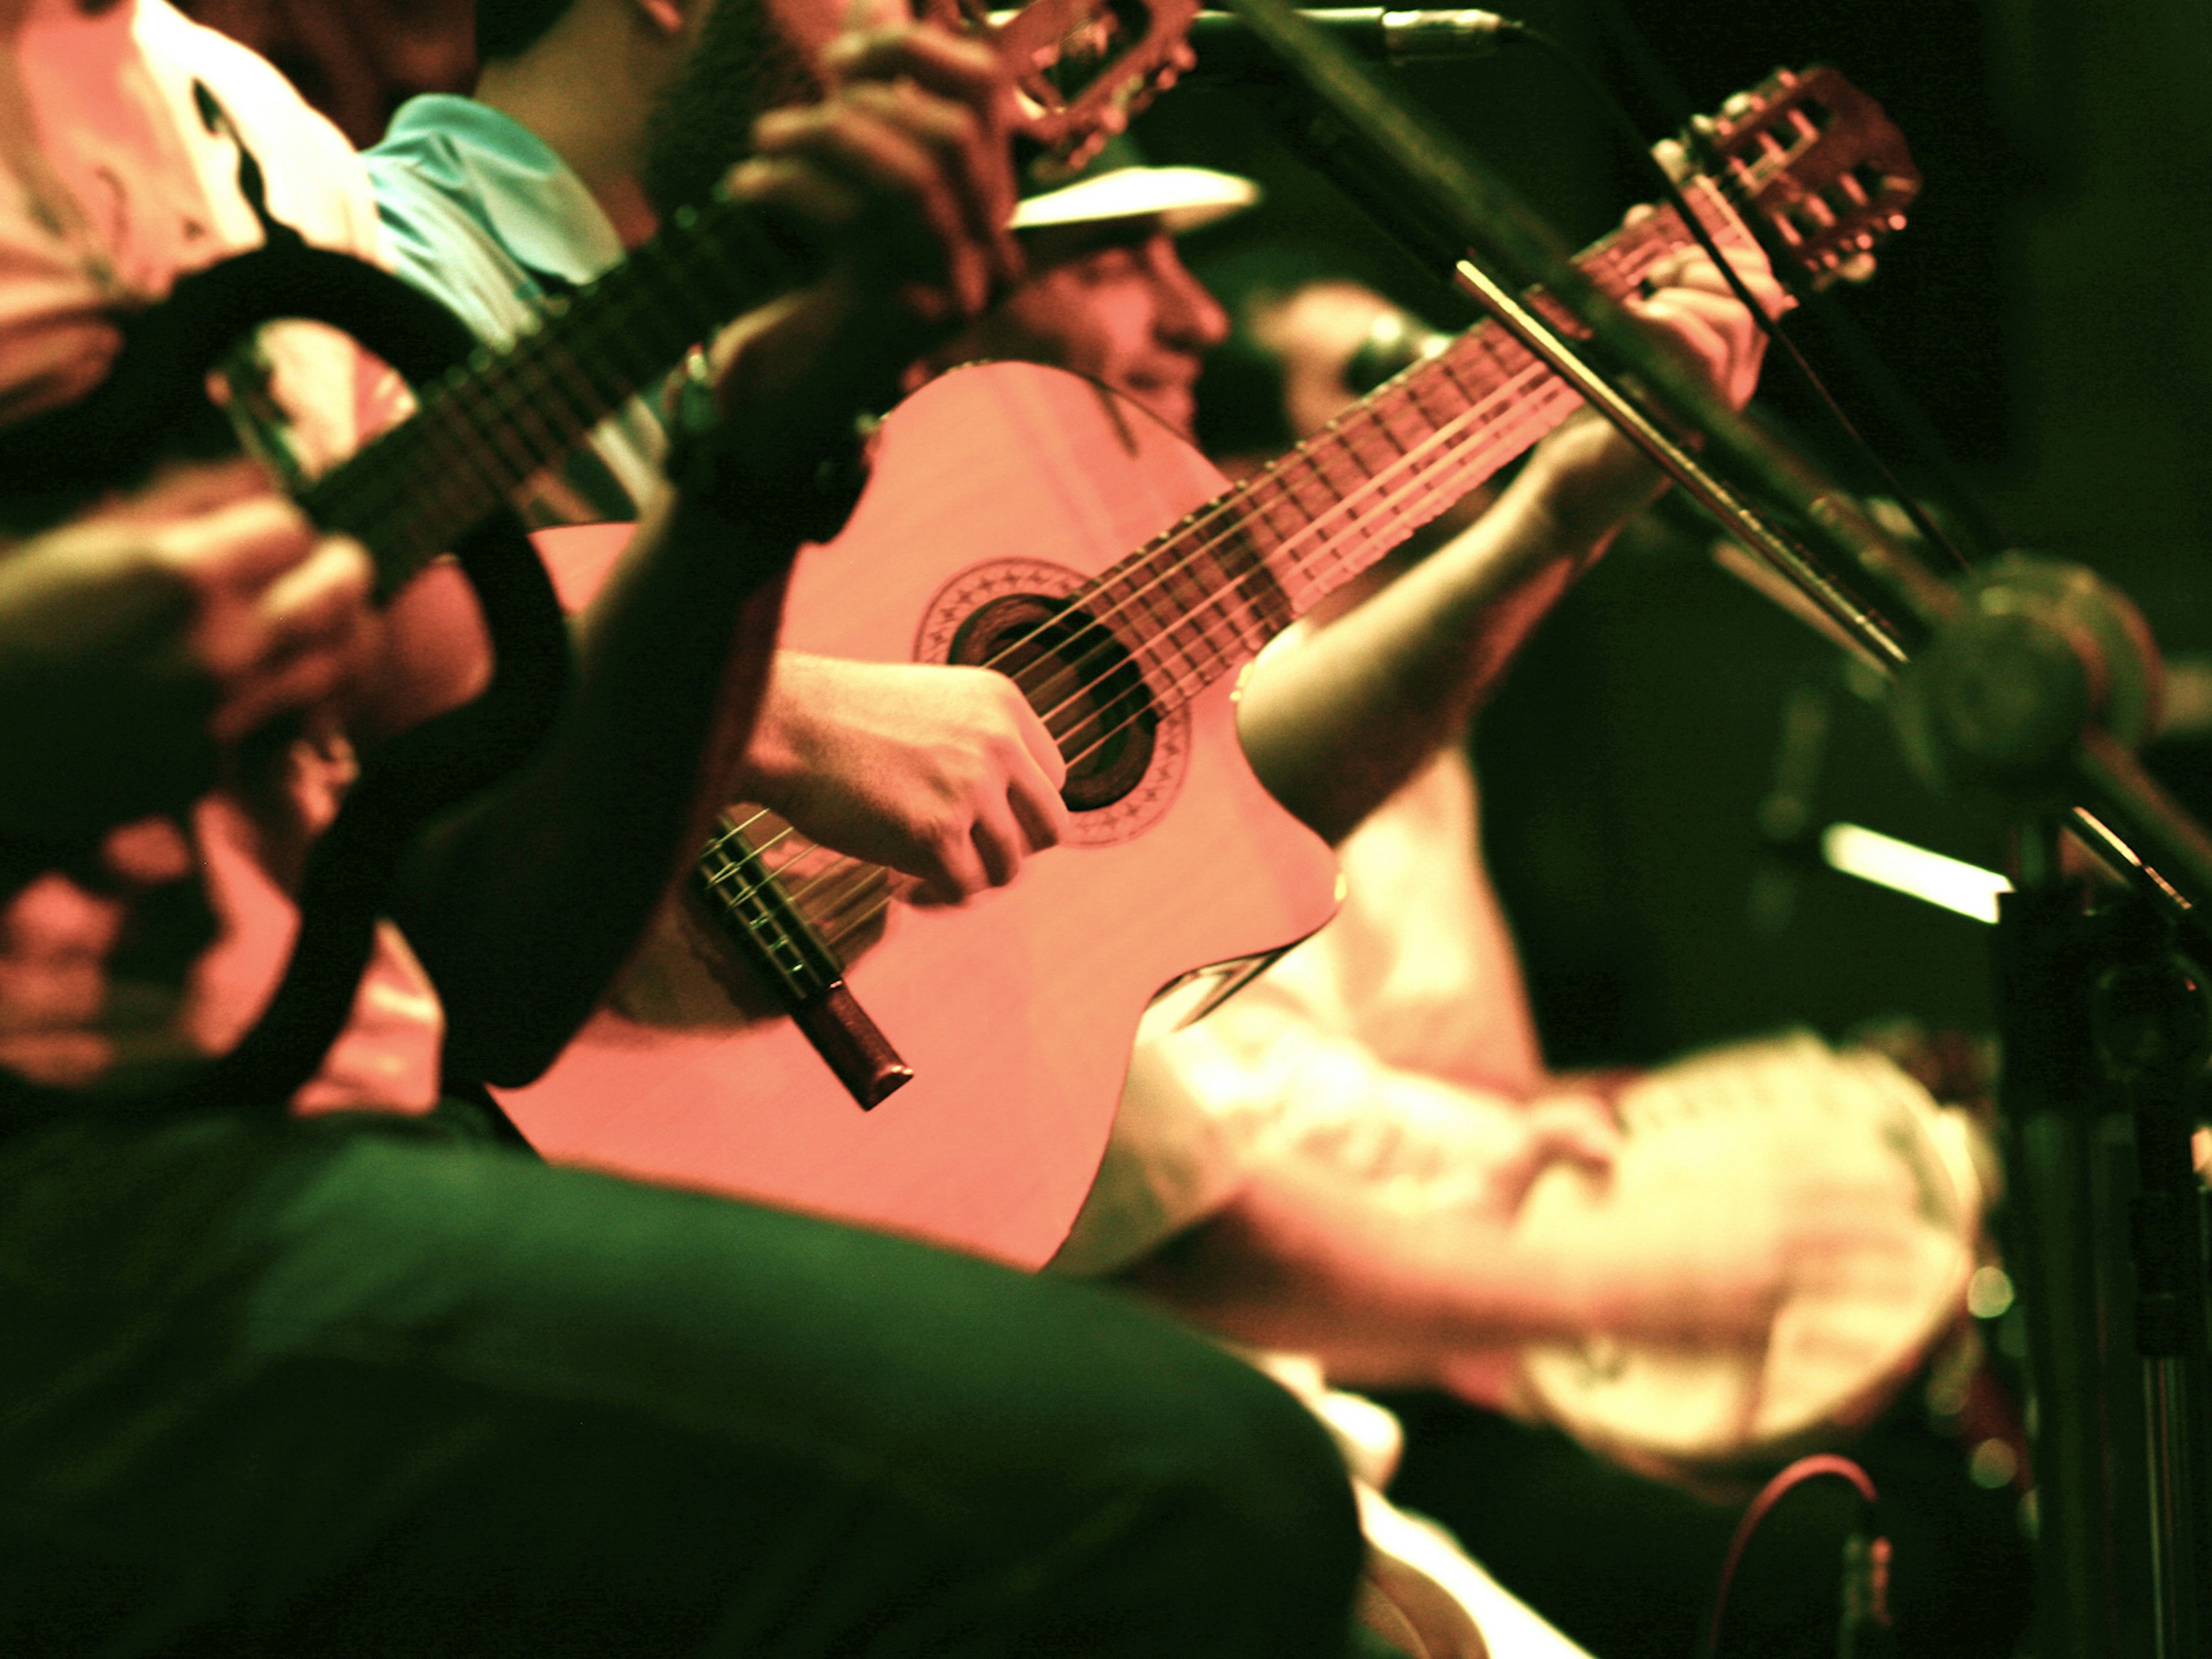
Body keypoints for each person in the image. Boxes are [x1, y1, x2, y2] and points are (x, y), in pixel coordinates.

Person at [0, 4, 1379, 1652]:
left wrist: (762, 456)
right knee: (1190, 1496)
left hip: (341, 1126)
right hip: (84, 1184)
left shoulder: (235, 134)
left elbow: (504, 956)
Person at [1052, 251, 2031, 1659]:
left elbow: (1421, 1064)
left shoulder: (1417, 698)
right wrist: (1639, 1260)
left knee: (1943, 1531)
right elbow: (1241, 1118)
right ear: (1259, 447)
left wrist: (1562, 1126)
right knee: (1840, 1575)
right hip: (1366, 1354)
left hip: (1463, 1304)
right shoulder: (1199, 713)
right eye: (1375, 382)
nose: (1434, 403)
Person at [361, 0, 1074, 908]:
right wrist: (789, 721)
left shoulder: (758, 339)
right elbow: (303, 628)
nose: (934, 32)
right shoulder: (370, 246)